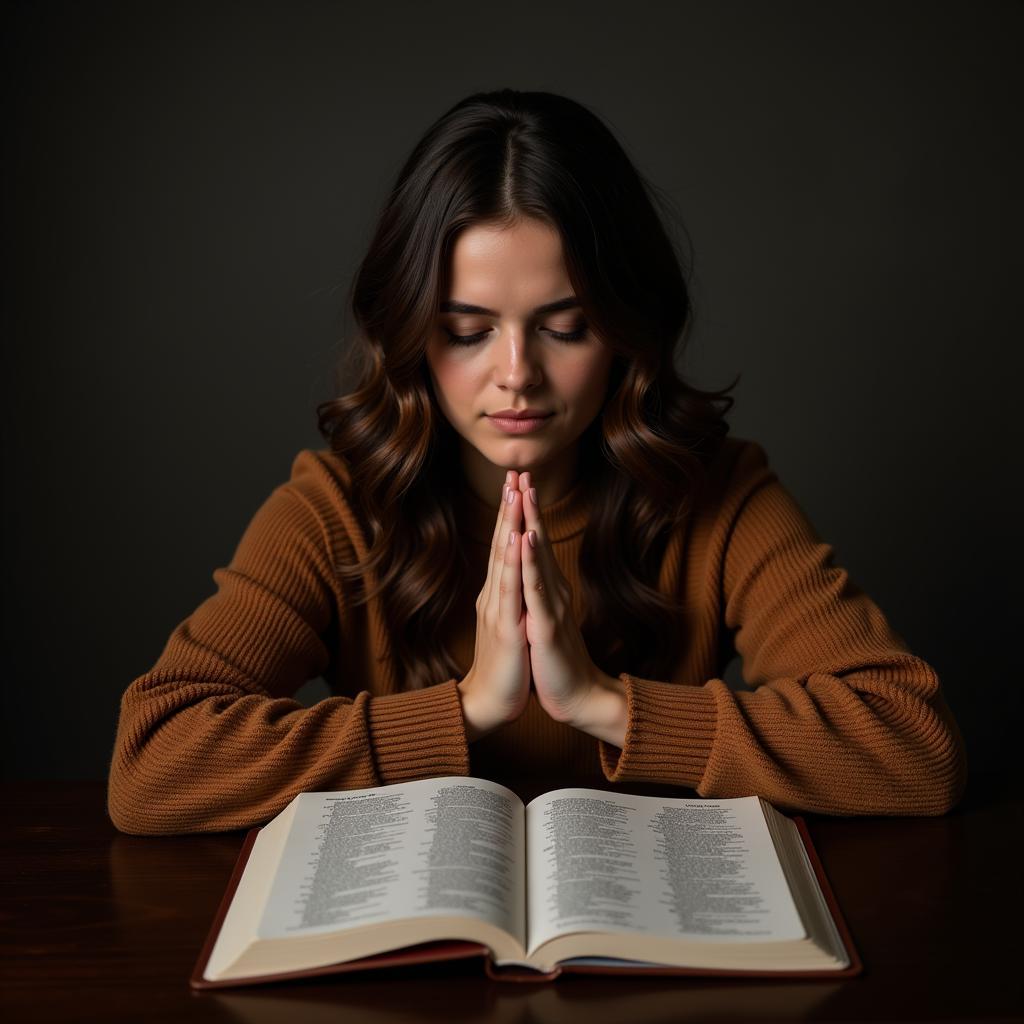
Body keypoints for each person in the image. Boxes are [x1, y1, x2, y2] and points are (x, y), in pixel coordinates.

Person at [107, 88, 967, 835]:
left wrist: (602, 703)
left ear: (626, 329)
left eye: (565, 326)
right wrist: (467, 711)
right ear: (411, 331)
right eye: (468, 330)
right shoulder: (337, 506)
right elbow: (152, 765)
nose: (515, 373)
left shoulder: (718, 497)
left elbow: (913, 748)